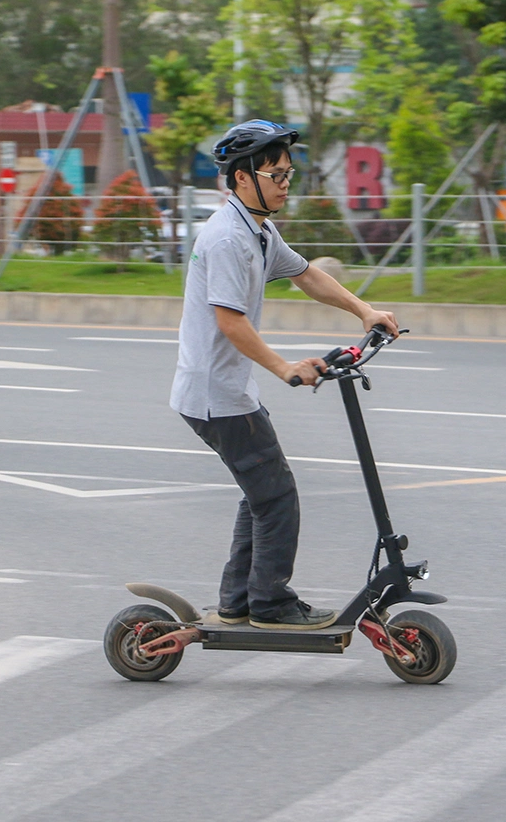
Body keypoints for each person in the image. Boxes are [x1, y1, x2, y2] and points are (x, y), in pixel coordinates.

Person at [170, 119, 398, 630]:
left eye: (289, 174)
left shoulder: (258, 228)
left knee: (263, 493)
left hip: (228, 390)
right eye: (275, 174)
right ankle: (269, 604)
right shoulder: (228, 237)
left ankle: (238, 600)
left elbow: (306, 274)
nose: (285, 183)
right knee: (276, 497)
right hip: (215, 394)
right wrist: (284, 368)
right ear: (242, 179)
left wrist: (363, 310)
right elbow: (229, 320)